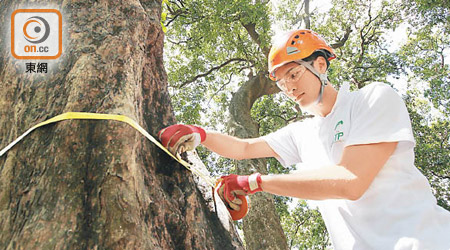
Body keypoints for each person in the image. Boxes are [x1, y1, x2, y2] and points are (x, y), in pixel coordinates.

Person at [158, 29, 450, 249]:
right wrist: (200, 133)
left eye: (294, 75)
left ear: (320, 65)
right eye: (282, 83)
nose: (289, 88)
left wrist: (254, 183)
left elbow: (351, 181)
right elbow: (244, 147)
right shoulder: (303, 132)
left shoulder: (371, 99)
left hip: (425, 241)